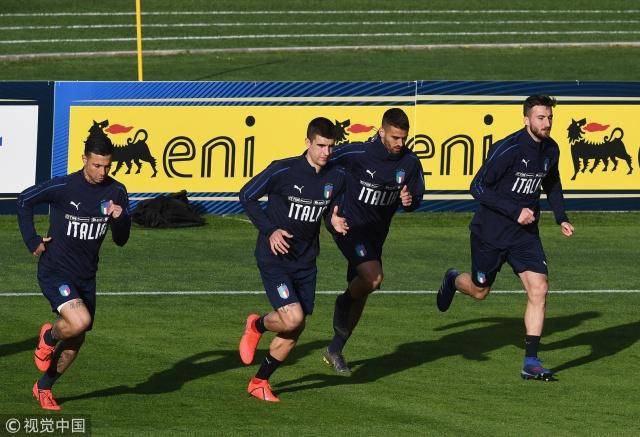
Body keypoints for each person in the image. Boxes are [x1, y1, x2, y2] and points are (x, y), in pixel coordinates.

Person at [436, 95, 574, 381]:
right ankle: (452, 279)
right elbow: (477, 187)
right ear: (526, 119)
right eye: (540, 118)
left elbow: (552, 182)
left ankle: (531, 361)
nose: (547, 123)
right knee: (479, 291)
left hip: (525, 235)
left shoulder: (552, 149)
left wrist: (561, 217)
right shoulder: (508, 149)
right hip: (491, 233)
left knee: (539, 288)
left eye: (549, 117)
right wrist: (514, 211)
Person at [238, 117, 348, 402]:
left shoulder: (337, 176)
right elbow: (247, 195)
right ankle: (257, 325)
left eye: (330, 147)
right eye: (320, 145)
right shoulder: (283, 170)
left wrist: (333, 220)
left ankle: (259, 382)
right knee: (292, 318)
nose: (326, 152)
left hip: (306, 262)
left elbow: (328, 209)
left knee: (296, 327)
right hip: (275, 258)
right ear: (307, 142)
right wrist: (270, 230)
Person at [17, 134, 131, 410]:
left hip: (86, 277)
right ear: (84, 160)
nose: (102, 172)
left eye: (107, 166)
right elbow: (24, 200)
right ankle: (48, 337)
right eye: (96, 165)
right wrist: (32, 240)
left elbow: (121, 240)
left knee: (75, 339)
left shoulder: (117, 191)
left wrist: (120, 218)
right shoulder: (64, 186)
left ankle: (44, 387)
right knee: (79, 321)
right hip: (56, 270)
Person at [323, 108, 425, 374]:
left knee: (363, 291)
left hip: (375, 236)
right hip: (348, 227)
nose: (399, 143)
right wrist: (330, 212)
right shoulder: (357, 153)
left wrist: (409, 201)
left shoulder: (410, 162)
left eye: (403, 138)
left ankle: (335, 349)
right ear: (381, 132)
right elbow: (323, 165)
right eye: (394, 137)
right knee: (374, 278)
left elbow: (416, 197)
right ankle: (343, 301)